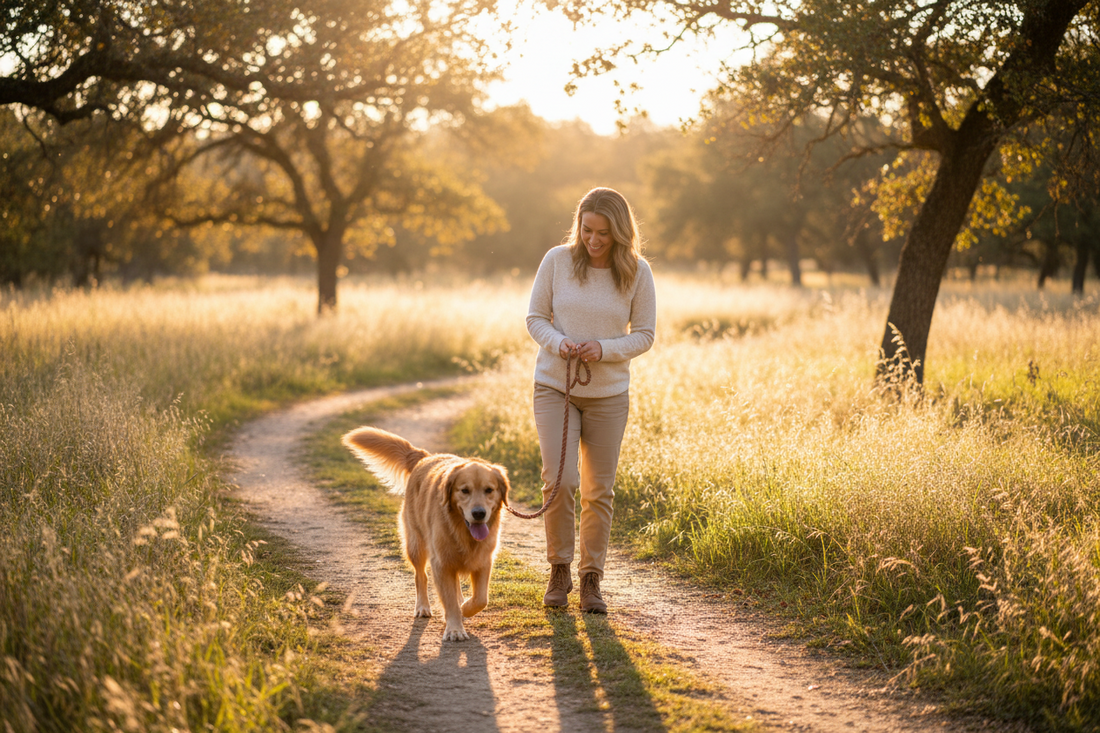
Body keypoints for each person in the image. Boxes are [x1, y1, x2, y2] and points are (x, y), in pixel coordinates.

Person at [525, 186, 657, 613]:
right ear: (578, 225)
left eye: (603, 233)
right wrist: (559, 342)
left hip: (608, 395)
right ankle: (559, 570)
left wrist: (604, 348)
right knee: (559, 481)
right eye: (587, 230)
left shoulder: (638, 272)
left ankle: (591, 579)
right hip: (555, 387)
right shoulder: (557, 261)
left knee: (598, 490)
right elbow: (535, 318)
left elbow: (645, 335)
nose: (594, 240)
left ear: (620, 231)